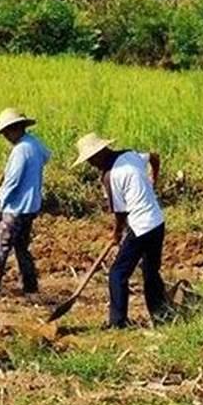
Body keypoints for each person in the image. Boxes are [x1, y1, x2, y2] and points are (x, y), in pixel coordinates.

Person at [72, 132, 170, 329]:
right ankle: (161, 317)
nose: (91, 164)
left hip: (141, 226)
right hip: (157, 222)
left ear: (101, 152)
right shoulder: (131, 155)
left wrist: (116, 234)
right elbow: (154, 156)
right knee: (151, 271)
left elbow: (120, 212)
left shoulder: (111, 176)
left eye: (91, 159)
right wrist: (153, 181)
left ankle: (117, 323)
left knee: (117, 273)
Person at [0, 108, 51, 297]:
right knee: (22, 247)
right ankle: (30, 287)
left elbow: (12, 182)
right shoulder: (34, 144)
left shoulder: (20, 150)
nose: (5, 136)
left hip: (15, 208)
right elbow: (47, 157)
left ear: (14, 129)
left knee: (0, 246)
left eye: (6, 132)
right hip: (32, 206)